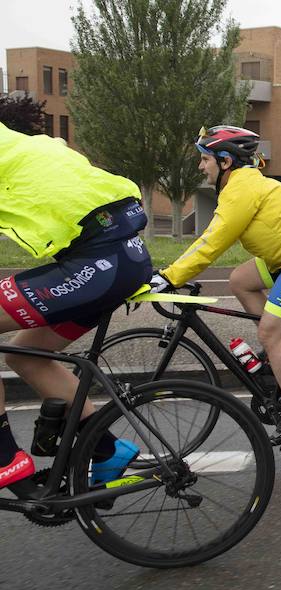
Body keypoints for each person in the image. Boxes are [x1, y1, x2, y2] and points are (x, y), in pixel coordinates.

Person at [150, 126, 281, 437]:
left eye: (204, 159)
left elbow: (212, 242)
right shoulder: (240, 185)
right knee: (240, 280)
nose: (201, 166)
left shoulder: (242, 190)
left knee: (271, 332)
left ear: (225, 161)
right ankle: (277, 348)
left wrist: (168, 277)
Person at [0, 122, 152, 490]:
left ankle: (5, 458)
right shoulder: (18, 144)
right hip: (124, 259)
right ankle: (105, 450)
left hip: (98, 264)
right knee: (25, 355)